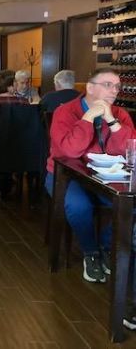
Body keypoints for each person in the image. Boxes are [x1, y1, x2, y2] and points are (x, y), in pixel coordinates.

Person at [45, 67, 136, 284]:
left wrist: (112, 122)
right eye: (108, 85)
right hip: (66, 176)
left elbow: (130, 149)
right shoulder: (65, 112)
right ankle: (91, 252)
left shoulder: (120, 114)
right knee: (79, 206)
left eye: (117, 86)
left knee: (131, 205)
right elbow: (69, 151)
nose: (114, 90)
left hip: (107, 178)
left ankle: (105, 244)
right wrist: (87, 118)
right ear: (90, 88)